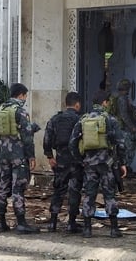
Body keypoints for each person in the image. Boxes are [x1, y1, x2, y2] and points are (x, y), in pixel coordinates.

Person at [69, 89, 127, 238]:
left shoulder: (83, 119)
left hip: (89, 164)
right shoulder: (110, 119)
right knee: (109, 194)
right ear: (104, 103)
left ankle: (87, 229)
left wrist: (80, 159)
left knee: (89, 194)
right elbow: (120, 143)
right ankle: (114, 229)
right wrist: (122, 163)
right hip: (107, 164)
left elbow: (72, 143)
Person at [0, 83, 40, 234]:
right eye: (25, 96)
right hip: (18, 155)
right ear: (21, 95)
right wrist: (31, 156)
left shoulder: (1, 109)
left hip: (4, 154)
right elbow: (27, 136)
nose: (25, 99)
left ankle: (1, 222)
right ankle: (21, 223)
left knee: (2, 187)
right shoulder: (20, 111)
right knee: (18, 188)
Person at [43, 91, 84, 233]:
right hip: (76, 161)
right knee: (74, 190)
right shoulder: (80, 120)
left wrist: (49, 156)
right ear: (77, 104)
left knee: (58, 190)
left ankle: (52, 222)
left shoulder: (55, 119)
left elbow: (47, 138)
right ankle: (71, 223)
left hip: (60, 160)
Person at [112, 78, 136, 168]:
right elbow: (124, 115)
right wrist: (132, 127)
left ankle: (125, 168)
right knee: (129, 149)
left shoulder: (119, 98)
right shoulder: (122, 99)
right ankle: (125, 168)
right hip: (125, 129)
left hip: (122, 128)